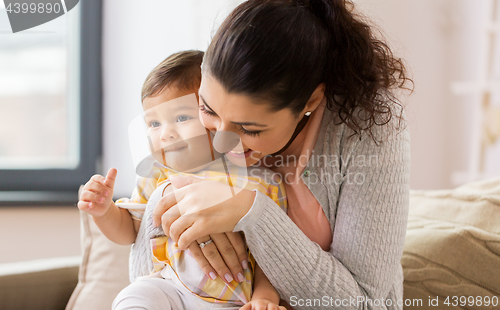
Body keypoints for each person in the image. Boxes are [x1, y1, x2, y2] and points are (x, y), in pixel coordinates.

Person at [152, 1, 412, 309]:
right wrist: (176, 199)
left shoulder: (369, 127)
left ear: (311, 101)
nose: (221, 141)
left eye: (250, 129)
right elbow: (143, 269)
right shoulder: (197, 95)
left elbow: (365, 303)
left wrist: (253, 213)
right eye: (207, 109)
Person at [77, 50, 288, 310]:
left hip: (232, 301)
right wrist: (104, 211)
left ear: (214, 117)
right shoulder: (156, 177)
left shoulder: (259, 182)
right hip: (168, 290)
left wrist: (264, 299)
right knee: (136, 295)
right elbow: (130, 231)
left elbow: (273, 257)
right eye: (153, 124)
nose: (165, 134)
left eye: (181, 118)